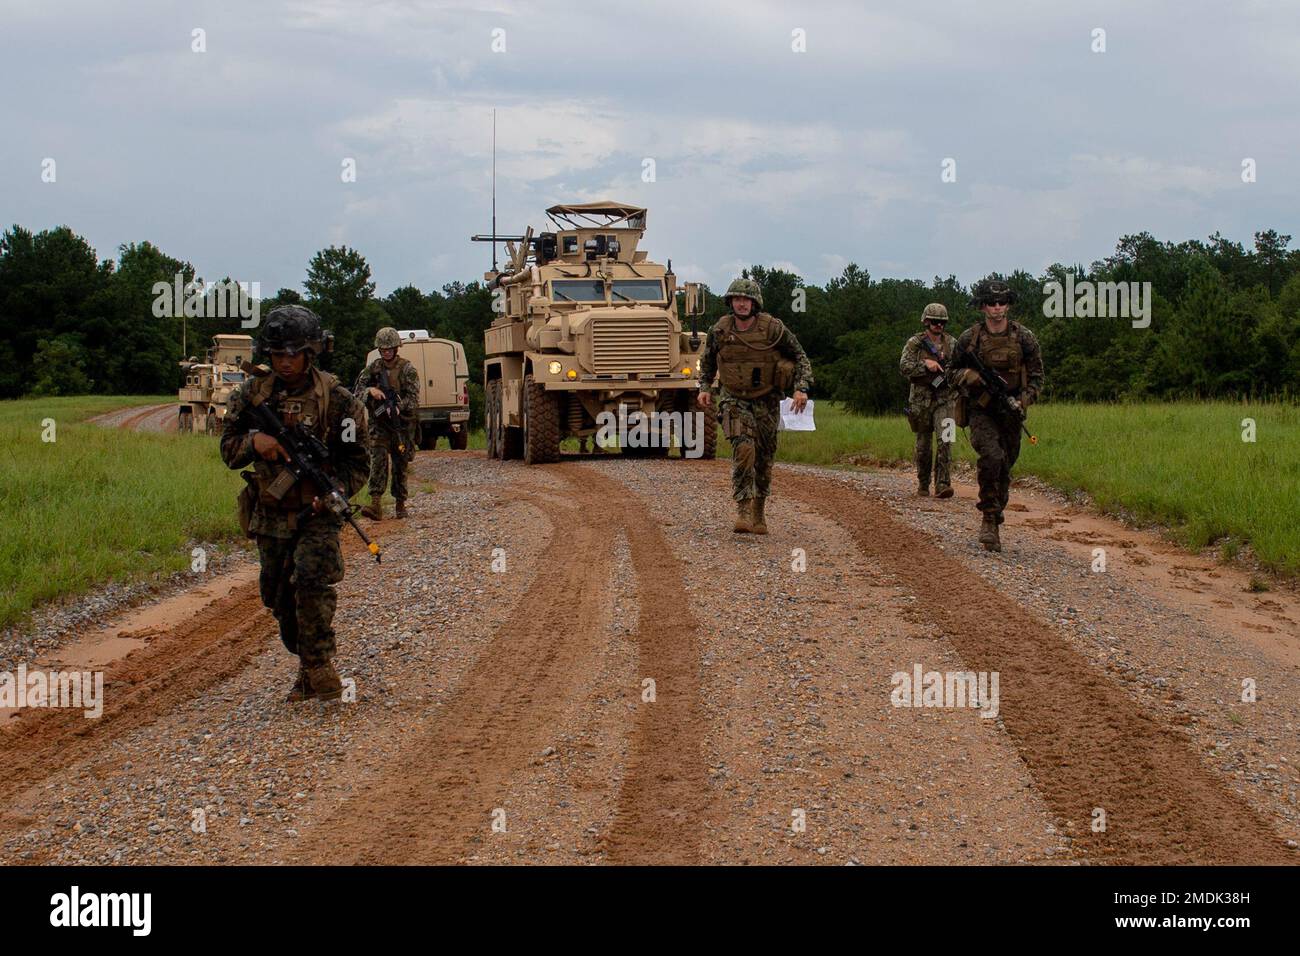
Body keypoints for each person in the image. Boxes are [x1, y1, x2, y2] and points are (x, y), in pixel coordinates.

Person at [220, 306, 369, 701]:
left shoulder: (338, 402)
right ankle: (305, 663)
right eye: (277, 354)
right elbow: (228, 451)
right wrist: (256, 443)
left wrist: (332, 493)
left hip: (317, 514)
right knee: (277, 596)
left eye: (294, 354)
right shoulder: (252, 396)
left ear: (311, 352)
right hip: (270, 512)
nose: (285, 362)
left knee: (311, 583)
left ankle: (320, 667)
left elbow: (359, 464)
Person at [696, 277, 813, 534]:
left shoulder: (773, 329)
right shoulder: (721, 329)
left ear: (754, 303)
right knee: (744, 447)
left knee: (764, 456)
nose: (741, 303)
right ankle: (743, 509)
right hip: (732, 398)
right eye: (737, 299)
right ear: (731, 302)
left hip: (767, 398)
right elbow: (707, 362)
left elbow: (800, 356)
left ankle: (759, 508)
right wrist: (705, 388)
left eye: (746, 299)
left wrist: (801, 388)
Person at [950, 279, 1044, 552]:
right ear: (982, 307)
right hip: (981, 410)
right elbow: (950, 373)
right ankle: (989, 518)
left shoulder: (1024, 337)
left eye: (1002, 302)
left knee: (1005, 464)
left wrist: (1022, 400)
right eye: (991, 303)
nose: (997, 308)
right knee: (991, 457)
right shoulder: (970, 339)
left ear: (1009, 305)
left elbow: (1038, 377)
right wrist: (970, 375)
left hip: (1011, 411)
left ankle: (997, 508)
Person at [353, 327, 420, 520]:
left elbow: (414, 398)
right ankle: (375, 504)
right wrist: (370, 392)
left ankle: (400, 503)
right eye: (383, 349)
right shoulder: (373, 368)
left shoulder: (407, 369)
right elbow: (357, 392)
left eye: (390, 348)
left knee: (400, 462)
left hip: (401, 424)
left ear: (396, 348)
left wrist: (400, 406)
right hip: (379, 423)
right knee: (378, 460)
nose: (386, 352)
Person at [899, 303, 958, 498]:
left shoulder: (952, 343)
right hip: (921, 400)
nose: (938, 325)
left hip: (946, 399)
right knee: (923, 445)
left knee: (946, 440)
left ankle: (943, 484)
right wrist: (926, 365)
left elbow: (960, 368)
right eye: (934, 322)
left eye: (942, 322)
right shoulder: (915, 343)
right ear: (926, 321)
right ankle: (923, 483)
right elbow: (904, 367)